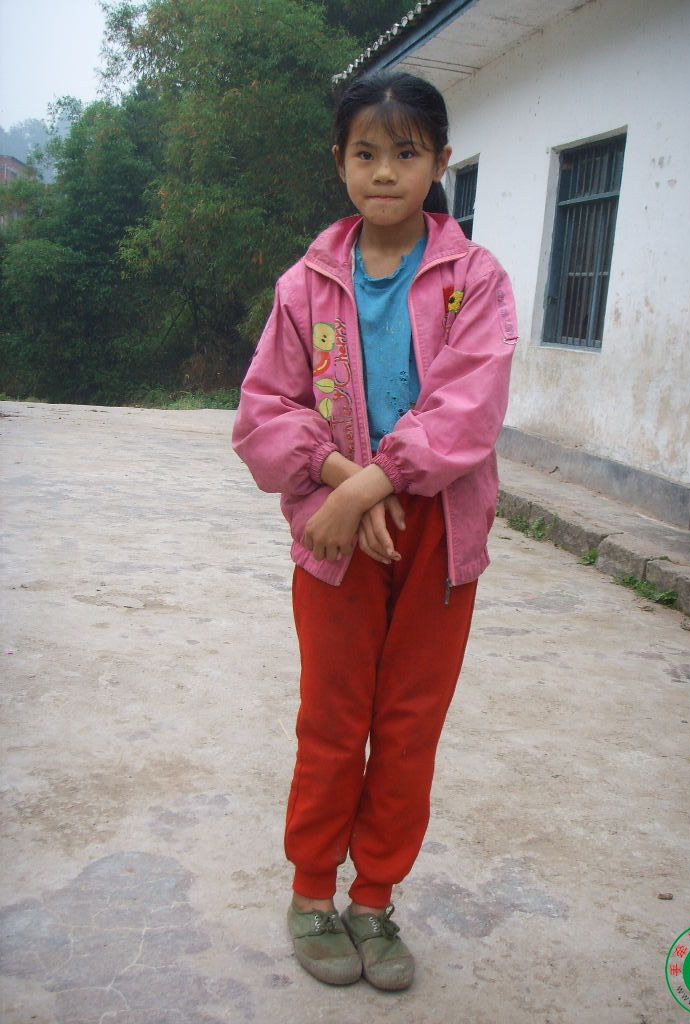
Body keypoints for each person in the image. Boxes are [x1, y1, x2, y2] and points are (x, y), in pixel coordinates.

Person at [231, 69, 518, 991]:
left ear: (440, 161)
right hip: (335, 531)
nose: (384, 171)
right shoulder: (305, 284)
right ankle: (313, 893)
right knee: (332, 718)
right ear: (339, 163)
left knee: (406, 726)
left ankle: (374, 900)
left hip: (440, 533)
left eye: (405, 152)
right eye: (365, 153)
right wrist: (345, 486)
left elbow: (469, 408)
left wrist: (379, 482)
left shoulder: (475, 281)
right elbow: (263, 412)